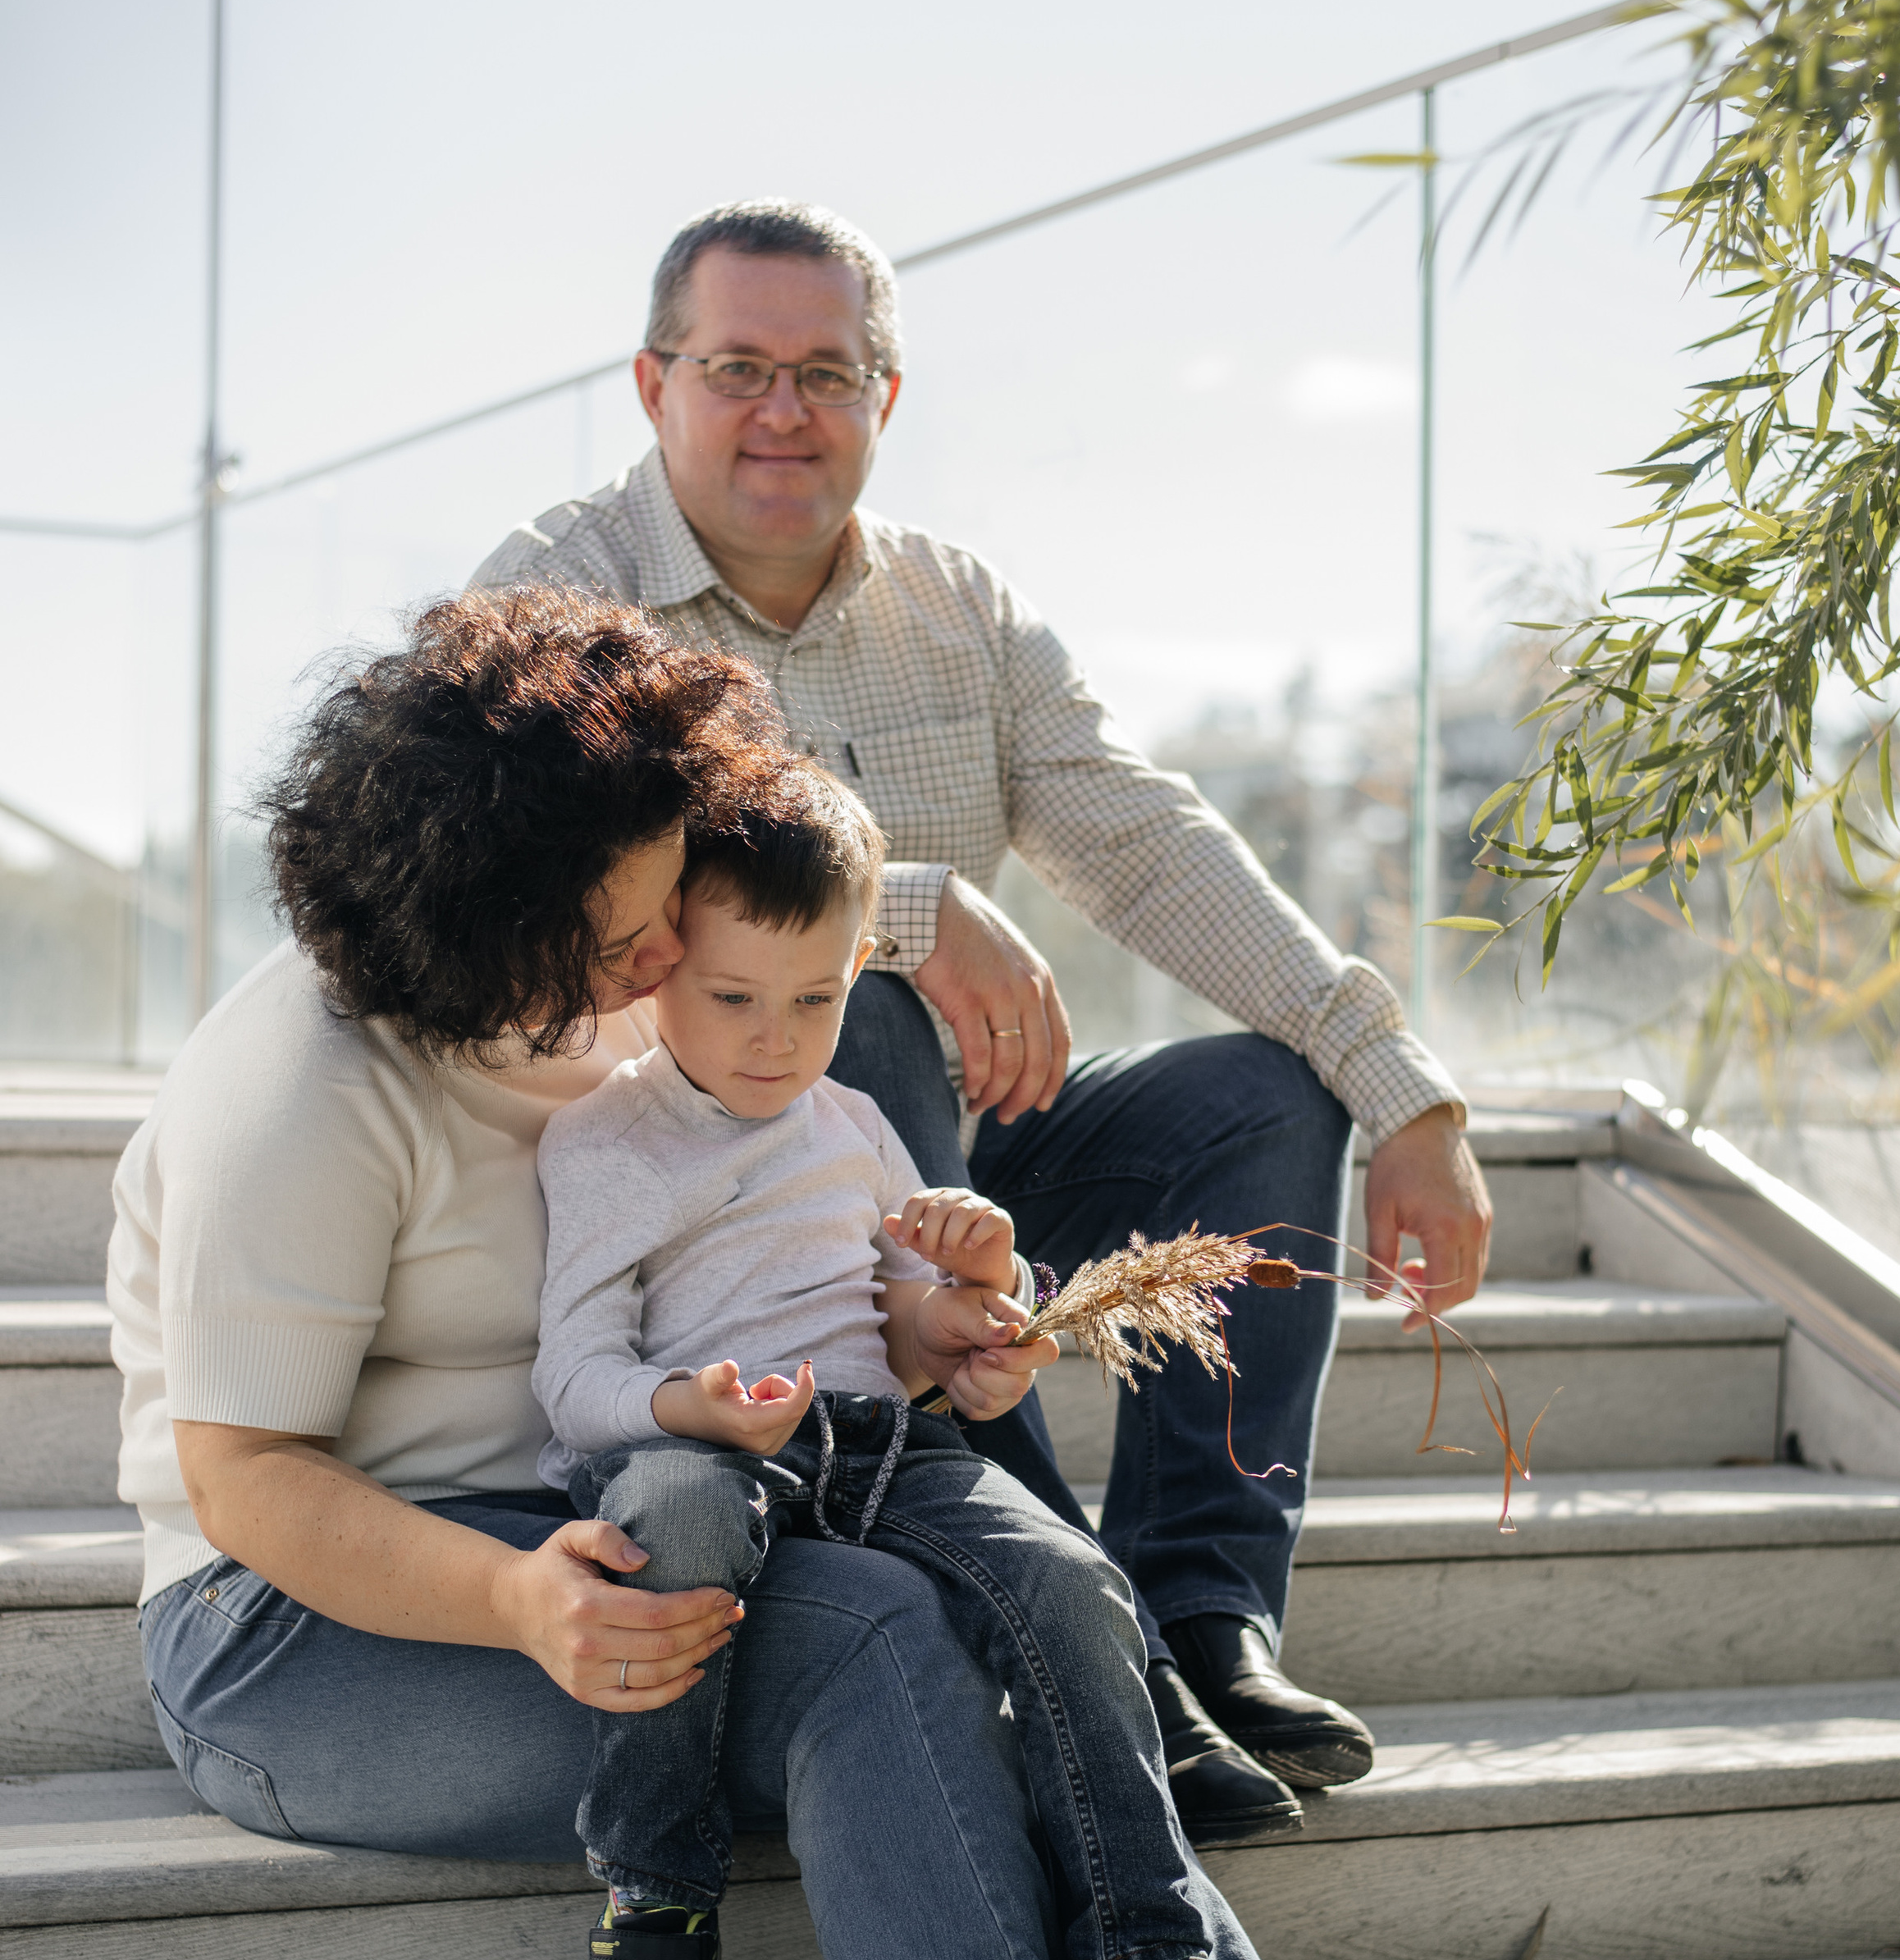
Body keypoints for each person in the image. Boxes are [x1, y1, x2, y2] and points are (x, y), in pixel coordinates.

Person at [108, 580, 1610, 1960]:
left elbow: (769, 1099)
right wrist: (515, 1603)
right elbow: (248, 1482)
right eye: (636, 909)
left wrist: (922, 1324)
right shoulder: (306, 1088)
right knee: (880, 1654)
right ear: (507, 909)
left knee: (1013, 1619)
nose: (672, 936)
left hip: (630, 1507)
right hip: (302, 1617)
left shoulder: (636, 1019)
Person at [470, 199, 1496, 1853]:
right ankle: (1073, 1627)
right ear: (653, 383)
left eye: (826, 370)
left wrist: (1402, 1091)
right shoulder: (552, 600)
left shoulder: (959, 611)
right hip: (689, 1174)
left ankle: (1204, 1627)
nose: (781, 410)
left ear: (885, 397)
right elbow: (567, 885)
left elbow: (1148, 845)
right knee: (855, 1019)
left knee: (1258, 1097)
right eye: (737, 366)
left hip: (931, 1157)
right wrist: (910, 911)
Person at [535, 752, 1327, 1960]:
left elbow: (913, 1336)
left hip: (878, 1445)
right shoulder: (606, 1140)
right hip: (701, 1455)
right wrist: (689, 1410)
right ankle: (655, 1924)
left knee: (1073, 1580)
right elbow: (573, 1378)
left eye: (820, 998)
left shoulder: (856, 1125)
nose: (779, 1039)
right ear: (660, 973)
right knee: (668, 1524)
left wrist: (977, 1321)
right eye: (733, 998)